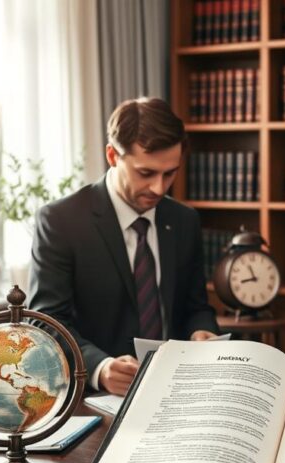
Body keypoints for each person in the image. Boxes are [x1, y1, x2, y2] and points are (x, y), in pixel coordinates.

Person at [29, 98, 219, 396]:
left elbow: (195, 306)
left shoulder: (184, 220)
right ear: (112, 155)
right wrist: (100, 367)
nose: (159, 188)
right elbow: (47, 323)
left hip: (176, 391)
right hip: (97, 397)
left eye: (170, 173)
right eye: (146, 173)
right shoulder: (61, 221)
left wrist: (202, 331)